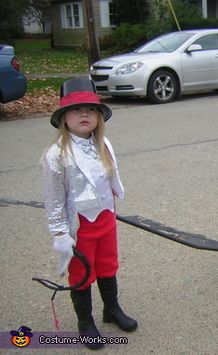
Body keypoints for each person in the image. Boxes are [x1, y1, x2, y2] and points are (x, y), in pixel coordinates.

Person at [42, 77, 137, 350]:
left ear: (98, 116)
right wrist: (60, 232)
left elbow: (109, 179)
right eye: (75, 109)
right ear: (63, 118)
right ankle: (85, 321)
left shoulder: (104, 144)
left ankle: (112, 308)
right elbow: (53, 198)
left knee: (108, 265)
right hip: (78, 225)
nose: (84, 114)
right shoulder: (55, 154)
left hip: (106, 219)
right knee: (82, 272)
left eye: (90, 109)